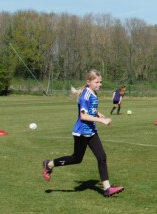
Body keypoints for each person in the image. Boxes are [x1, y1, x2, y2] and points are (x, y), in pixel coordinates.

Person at [41, 69, 124, 197]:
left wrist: (97, 113)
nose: (99, 84)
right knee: (76, 158)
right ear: (88, 82)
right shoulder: (86, 94)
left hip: (91, 131)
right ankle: (49, 164)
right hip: (81, 132)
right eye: (96, 82)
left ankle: (107, 188)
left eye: (100, 82)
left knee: (101, 156)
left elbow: (89, 110)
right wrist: (102, 121)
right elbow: (83, 116)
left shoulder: (93, 93)